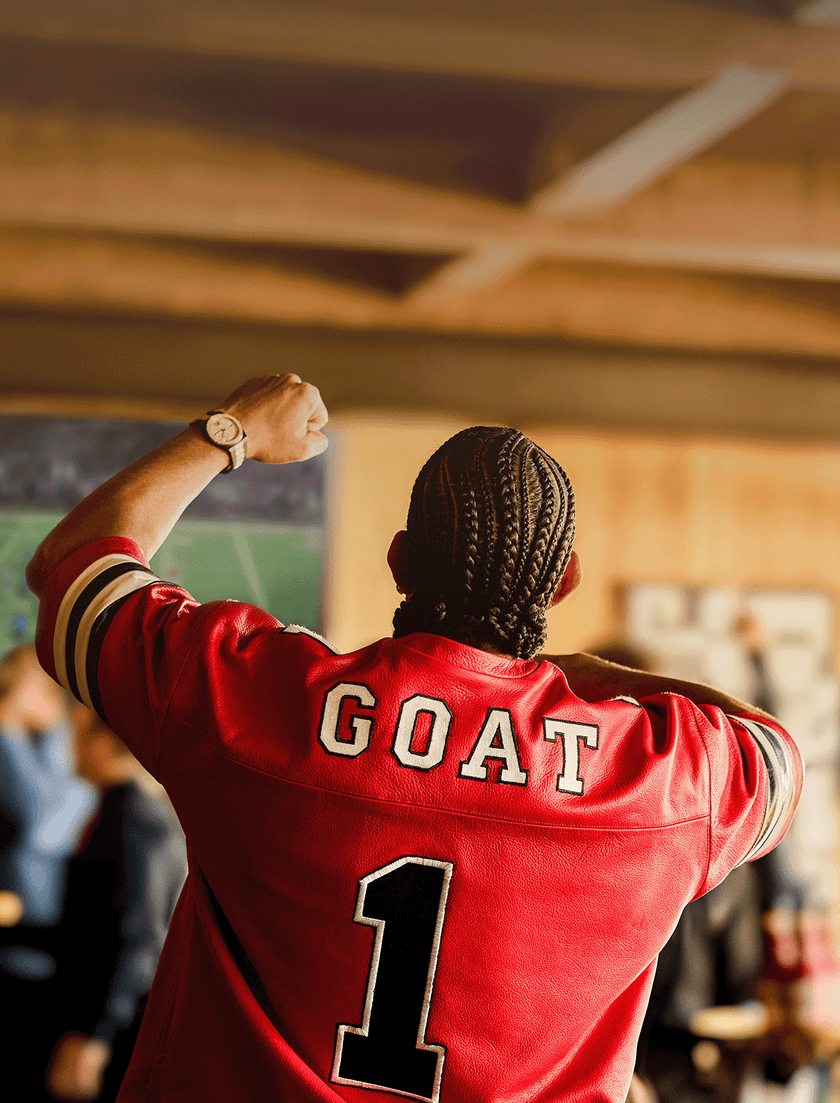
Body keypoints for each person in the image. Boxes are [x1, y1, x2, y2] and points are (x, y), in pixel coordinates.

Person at [25, 373, 802, 1103]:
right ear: (563, 581)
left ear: (398, 562)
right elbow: (773, 755)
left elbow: (73, 566)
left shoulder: (258, 693)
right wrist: (591, 676)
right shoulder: (658, 778)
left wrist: (226, 434)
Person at [44, 707, 187, 1102]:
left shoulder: (132, 815)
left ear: (104, 745)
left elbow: (138, 934)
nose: (69, 749)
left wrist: (96, 1033)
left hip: (114, 1027)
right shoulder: (135, 809)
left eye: (75, 736)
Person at [0, 644, 94, 1101]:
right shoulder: (17, 745)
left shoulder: (59, 747)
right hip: (16, 950)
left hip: (53, 949)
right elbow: (36, 825)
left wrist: (20, 726)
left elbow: (52, 821)